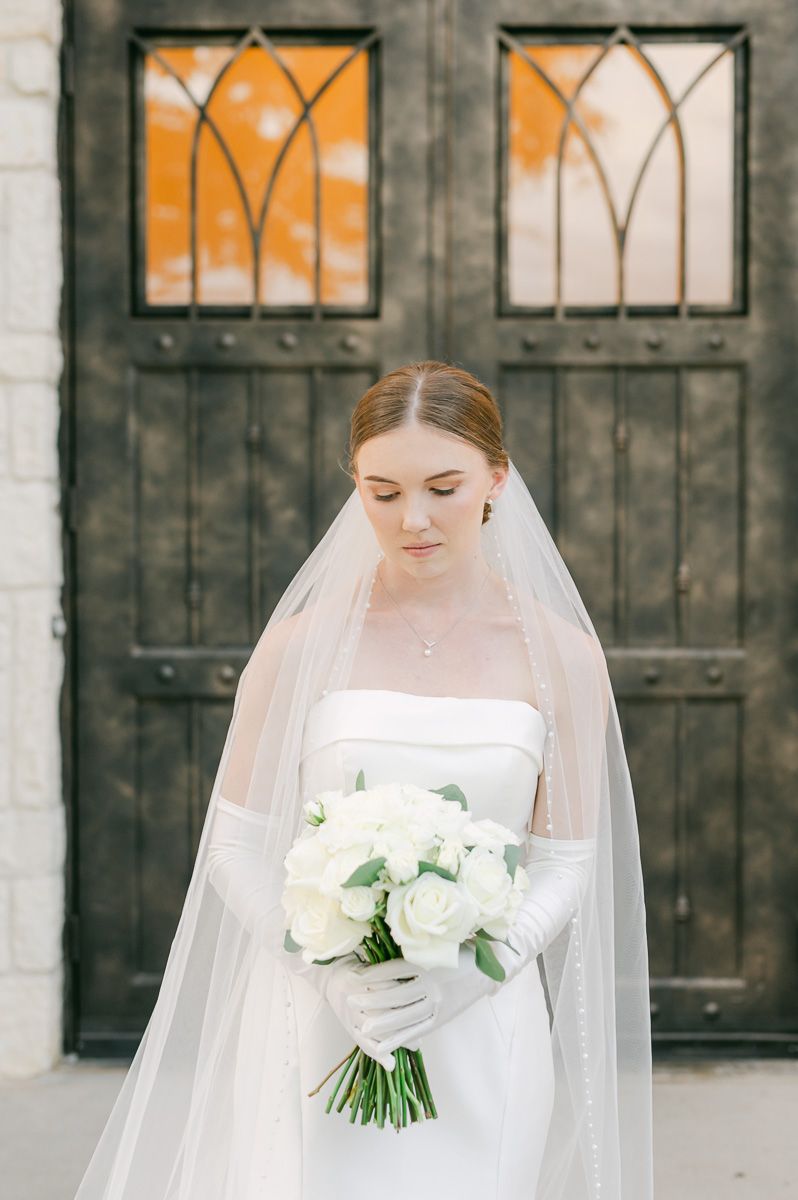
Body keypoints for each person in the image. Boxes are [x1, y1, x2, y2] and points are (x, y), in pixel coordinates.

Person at [74, 361, 653, 1199]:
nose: (412, 519)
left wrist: (472, 973)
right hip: (319, 1024)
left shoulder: (559, 655)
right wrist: (329, 977)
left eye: (442, 487)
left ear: (496, 477)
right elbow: (233, 846)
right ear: (357, 487)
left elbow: (564, 862)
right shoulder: (304, 644)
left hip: (484, 1026)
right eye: (383, 493)